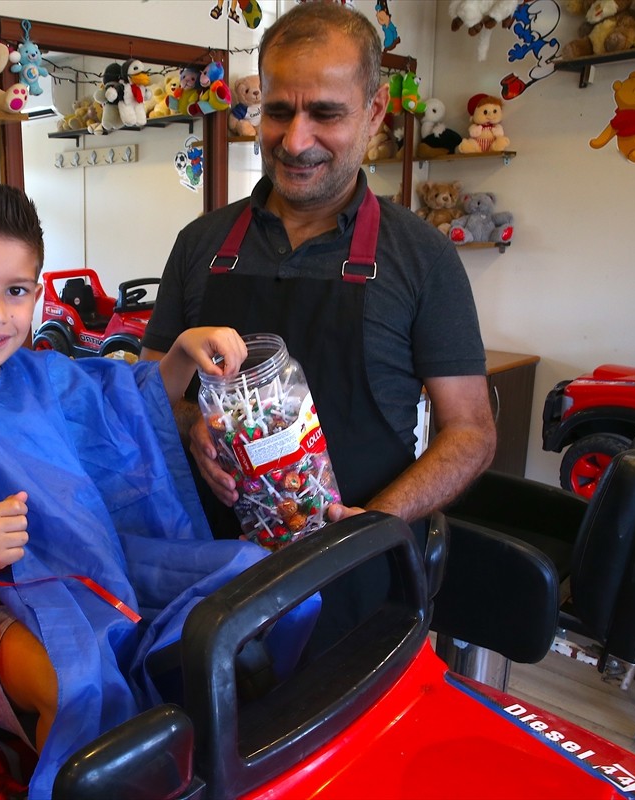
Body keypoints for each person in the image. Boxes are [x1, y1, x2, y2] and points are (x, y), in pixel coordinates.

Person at [0, 180, 314, 799]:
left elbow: (128, 406)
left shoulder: (47, 375)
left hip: (96, 559)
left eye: (14, 292)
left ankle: (209, 740)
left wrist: (180, 354)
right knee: (78, 677)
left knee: (257, 577)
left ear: (36, 296)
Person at [141, 3, 495, 630]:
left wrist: (375, 525)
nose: (296, 140)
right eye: (278, 111)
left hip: (354, 581)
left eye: (326, 114)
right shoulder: (202, 244)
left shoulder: (422, 257)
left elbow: (470, 432)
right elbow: (148, 394)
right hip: (207, 577)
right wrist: (192, 421)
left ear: (376, 111)